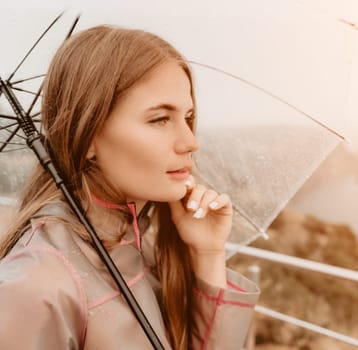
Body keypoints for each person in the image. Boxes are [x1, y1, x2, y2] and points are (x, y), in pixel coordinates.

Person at [0, 25, 259, 349]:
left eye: (187, 117)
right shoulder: (37, 285)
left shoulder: (140, 244)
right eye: (160, 119)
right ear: (88, 134)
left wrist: (208, 254)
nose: (191, 141)